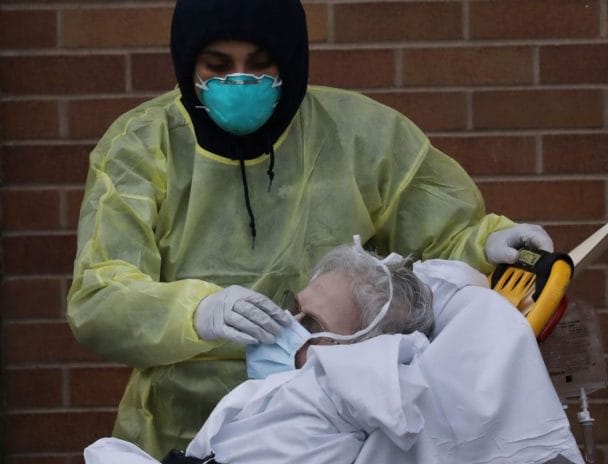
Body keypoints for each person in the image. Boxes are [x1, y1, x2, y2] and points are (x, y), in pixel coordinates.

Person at [66, 0, 554, 457]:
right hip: (180, 428)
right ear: (186, 63)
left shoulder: (359, 135)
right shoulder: (142, 146)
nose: (240, 81)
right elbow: (100, 299)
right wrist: (197, 313)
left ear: (291, 62)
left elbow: (439, 248)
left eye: (261, 65)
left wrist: (484, 243)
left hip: (329, 430)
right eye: (216, 66)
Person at [83, 243, 583, 464]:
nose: (286, 328)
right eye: (294, 309)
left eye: (312, 325)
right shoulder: (275, 396)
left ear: (368, 351)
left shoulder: (344, 400)